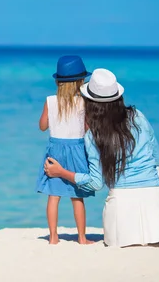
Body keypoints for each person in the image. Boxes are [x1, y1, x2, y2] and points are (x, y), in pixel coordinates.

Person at [45, 68, 159, 248]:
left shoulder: (94, 135)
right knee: (157, 169)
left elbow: (95, 183)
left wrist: (62, 172)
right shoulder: (138, 116)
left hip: (120, 222)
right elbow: (157, 158)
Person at [36, 55, 94, 245]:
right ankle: (82, 238)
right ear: (80, 82)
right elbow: (87, 127)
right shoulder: (84, 102)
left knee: (54, 195)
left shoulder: (50, 101)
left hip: (55, 149)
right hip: (76, 149)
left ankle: (53, 237)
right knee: (77, 197)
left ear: (58, 81)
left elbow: (43, 126)